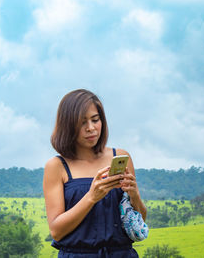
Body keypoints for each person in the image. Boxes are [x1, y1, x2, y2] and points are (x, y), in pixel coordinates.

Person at [43, 89, 147, 257]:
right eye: (82, 122)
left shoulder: (120, 156)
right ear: (68, 125)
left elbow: (139, 220)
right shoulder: (57, 166)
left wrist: (134, 195)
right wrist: (91, 197)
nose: (90, 128)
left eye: (95, 120)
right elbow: (56, 231)